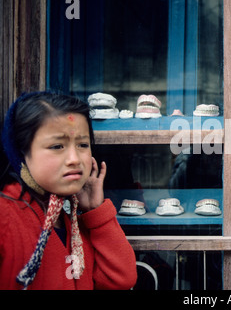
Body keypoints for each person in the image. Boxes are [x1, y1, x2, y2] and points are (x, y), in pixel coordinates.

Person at [0, 91, 137, 289]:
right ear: (21, 151)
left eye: (83, 144)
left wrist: (96, 213)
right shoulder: (6, 216)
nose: (74, 159)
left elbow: (120, 280)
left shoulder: (69, 219)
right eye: (57, 146)